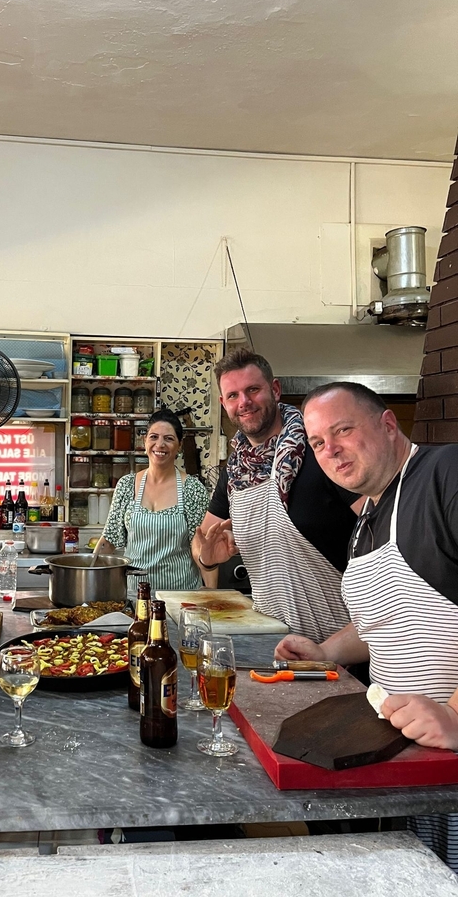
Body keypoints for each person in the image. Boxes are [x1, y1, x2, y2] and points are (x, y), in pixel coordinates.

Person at [275, 381, 458, 874]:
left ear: (388, 424)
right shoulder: (370, 514)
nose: (330, 450)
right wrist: (324, 652)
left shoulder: (445, 475)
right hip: (402, 754)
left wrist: (457, 717)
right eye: (317, 442)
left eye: (343, 430)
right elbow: (382, 622)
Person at [193, 348, 358, 641]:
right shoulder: (235, 471)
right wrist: (207, 559)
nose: (244, 402)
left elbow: (380, 527)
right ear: (223, 404)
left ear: (276, 389)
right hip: (273, 641)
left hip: (342, 643)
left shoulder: (320, 450)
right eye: (233, 396)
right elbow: (201, 540)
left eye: (253, 390)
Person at [95, 409, 209, 593]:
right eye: (154, 437)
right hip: (134, 596)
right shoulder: (127, 485)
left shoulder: (193, 489)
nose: (160, 444)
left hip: (181, 598)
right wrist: (89, 580)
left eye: (169, 439)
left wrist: (213, 594)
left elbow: (202, 548)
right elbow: (109, 540)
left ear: (179, 445)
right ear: (145, 441)